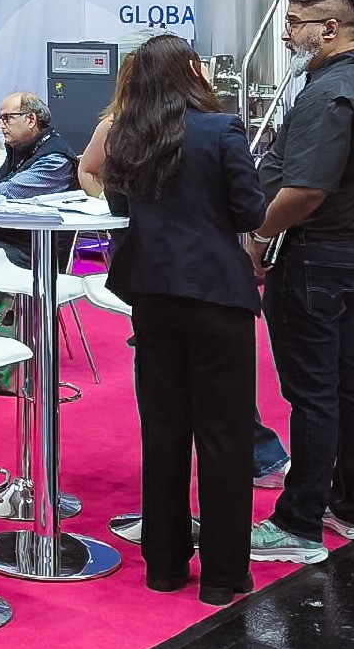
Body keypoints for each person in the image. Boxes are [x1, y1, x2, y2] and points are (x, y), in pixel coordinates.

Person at [90, 36, 267, 604]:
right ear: (191, 71)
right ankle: (222, 575)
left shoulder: (127, 134)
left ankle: (163, 566)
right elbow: (251, 211)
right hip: (217, 296)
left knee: (163, 432)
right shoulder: (222, 129)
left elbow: (117, 209)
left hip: (152, 296)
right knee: (225, 436)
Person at [246, 0, 354, 566]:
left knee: (313, 393)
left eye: (295, 23)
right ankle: (352, 507)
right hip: (353, 251)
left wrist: (260, 234)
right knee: (347, 385)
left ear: (329, 28)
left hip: (315, 256)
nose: (287, 34)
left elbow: (306, 188)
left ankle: (299, 522)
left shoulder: (331, 91)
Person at [0, 91, 76, 264]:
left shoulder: (55, 160)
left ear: (31, 119)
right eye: (0, 119)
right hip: (2, 239)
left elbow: (8, 192)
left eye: (7, 118)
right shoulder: (19, 151)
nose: (1, 126)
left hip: (34, 251)